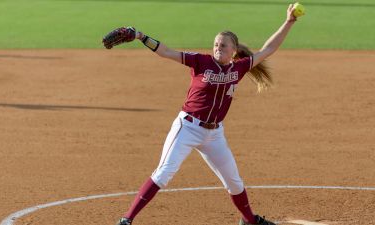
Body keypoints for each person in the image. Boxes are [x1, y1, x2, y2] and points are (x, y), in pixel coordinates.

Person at [114, 4, 298, 225]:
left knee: (234, 182)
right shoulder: (200, 62)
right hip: (187, 127)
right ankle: (127, 219)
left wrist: (289, 22)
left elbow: (268, 49)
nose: (218, 47)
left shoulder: (238, 68)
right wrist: (141, 36)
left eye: (223, 45)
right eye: (216, 44)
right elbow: (166, 52)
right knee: (163, 173)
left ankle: (250, 221)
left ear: (233, 50)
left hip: (214, 135)